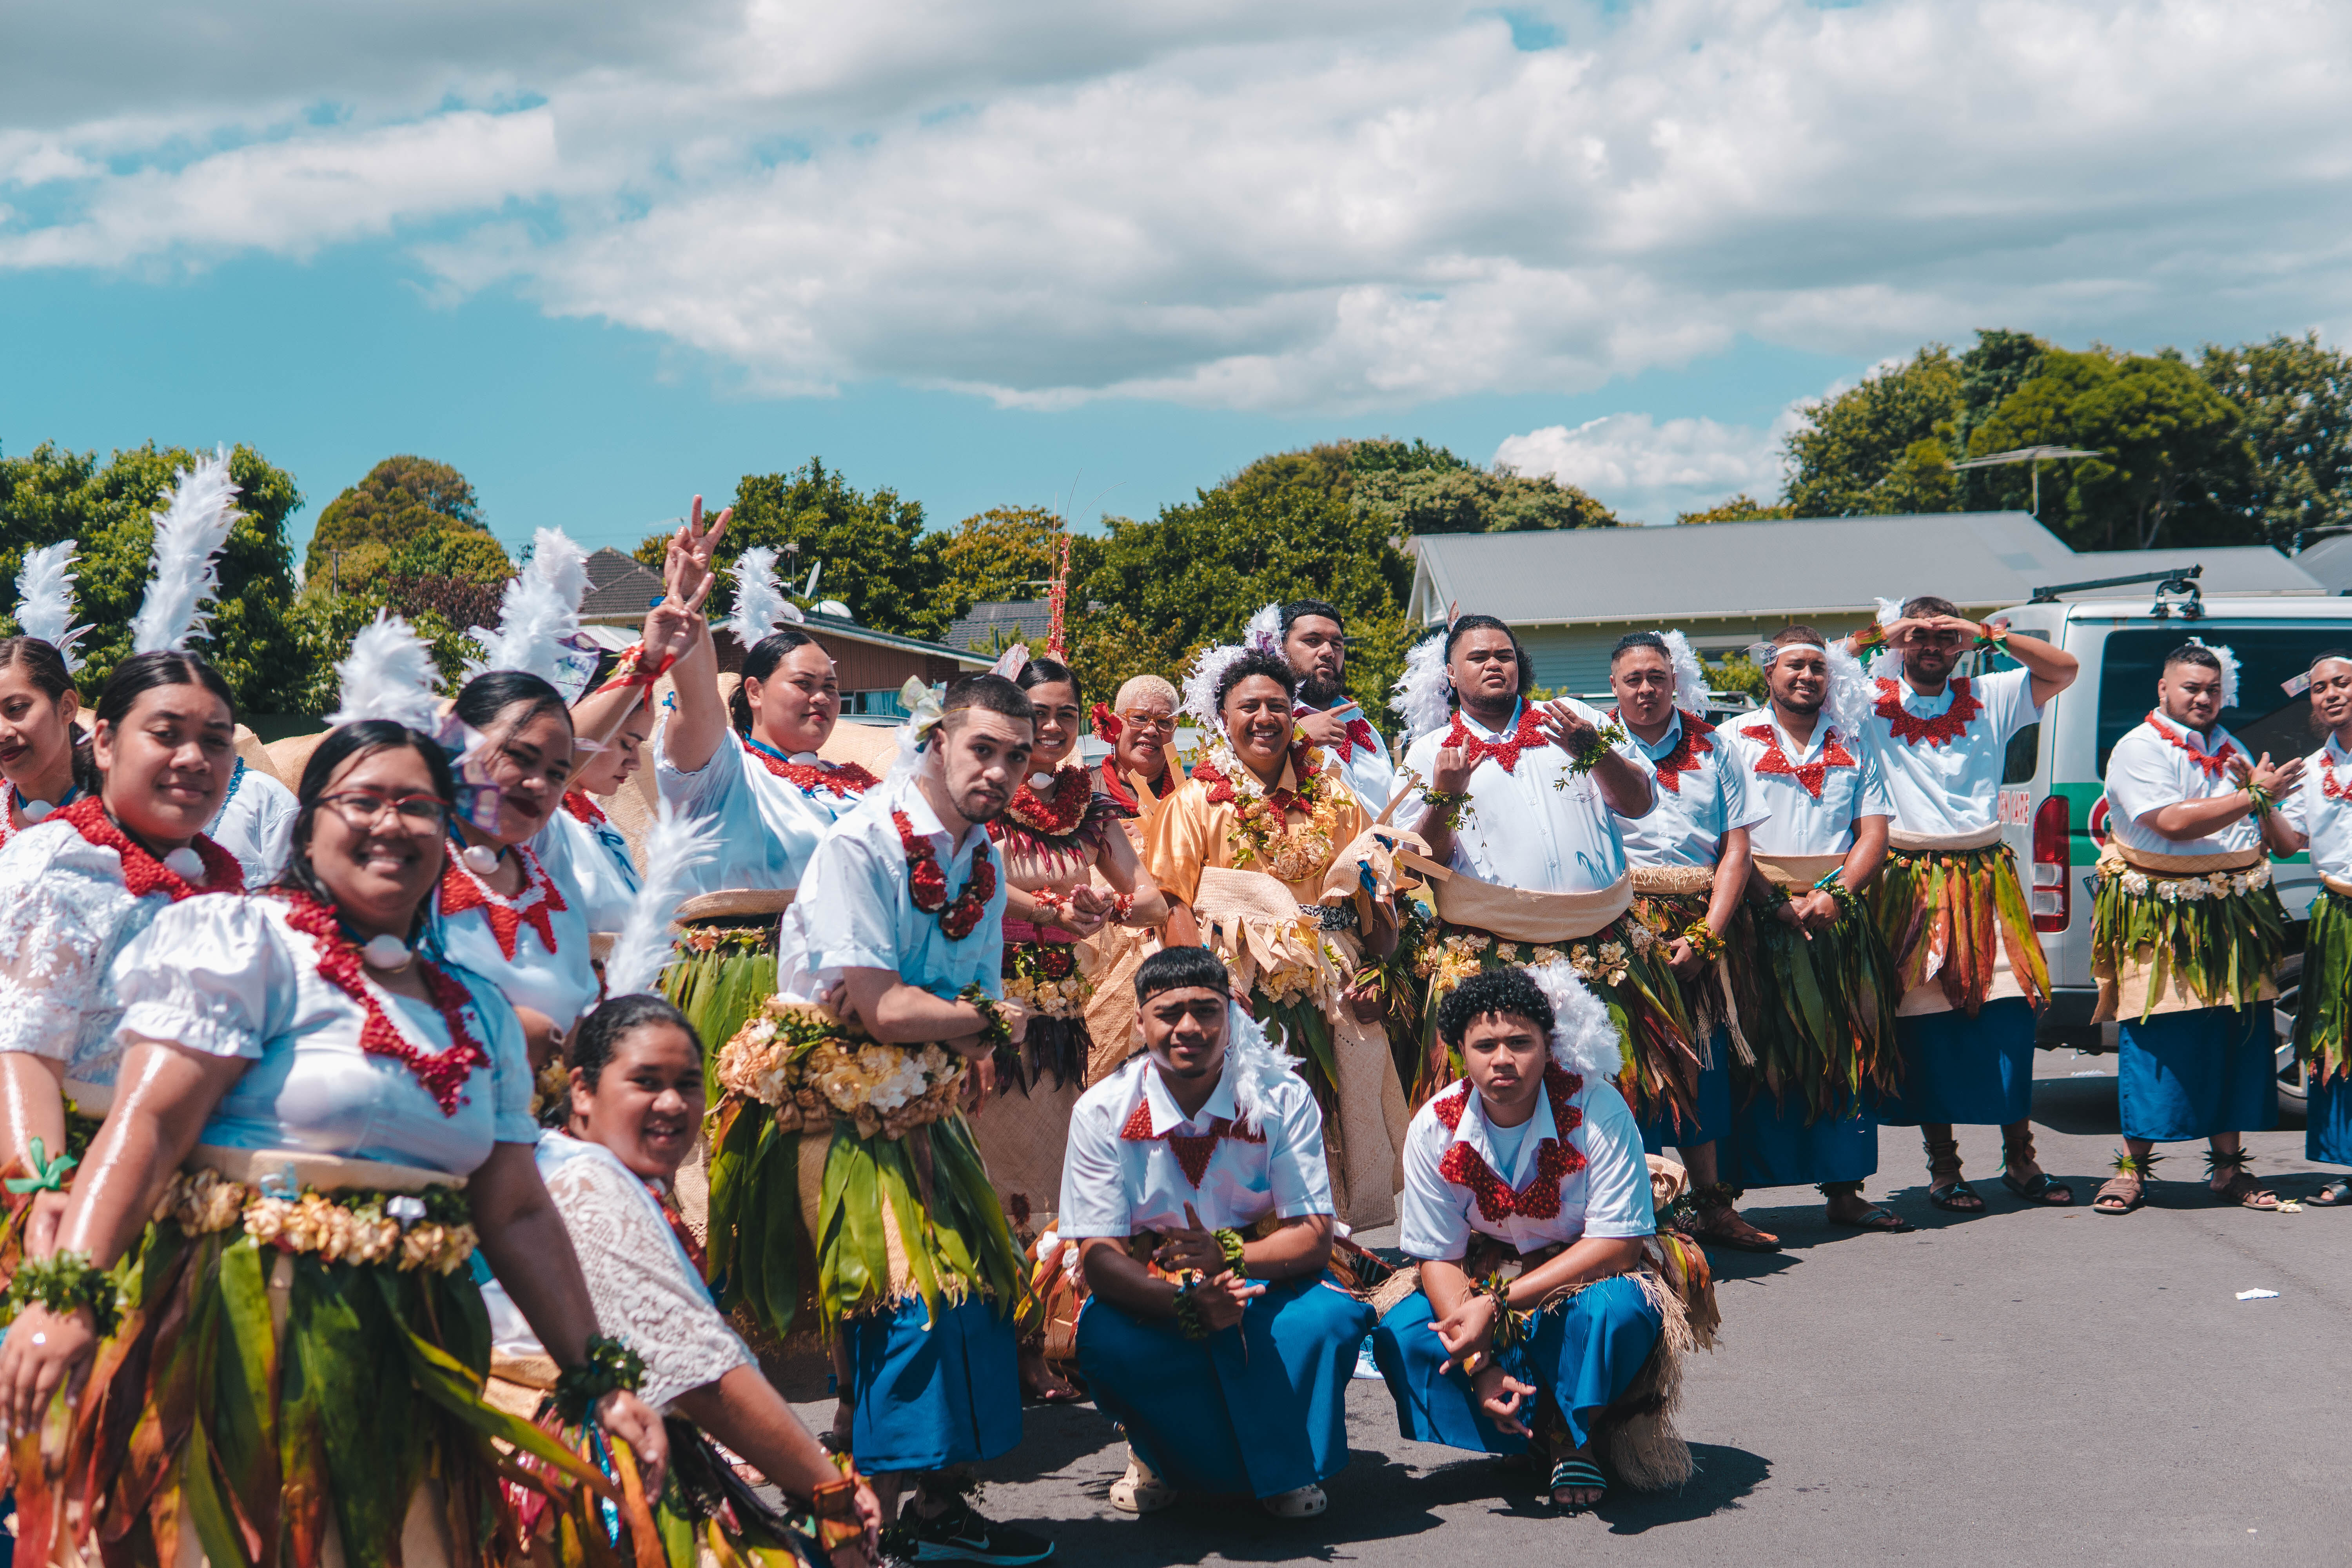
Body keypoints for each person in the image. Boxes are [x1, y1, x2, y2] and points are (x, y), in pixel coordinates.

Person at [0, 718, 668, 1562]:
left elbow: (518, 1208)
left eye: (419, 805)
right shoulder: (245, 944)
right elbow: (151, 1125)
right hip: (240, 1342)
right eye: (364, 800)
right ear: (309, 828)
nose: (392, 822)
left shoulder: (479, 1010)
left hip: (418, 1354)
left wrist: (597, 1376)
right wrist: (69, 1294)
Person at [704, 671, 1051, 1566]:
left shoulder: (984, 856)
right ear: (938, 739)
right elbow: (880, 1009)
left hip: (921, 1097)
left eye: (1018, 755)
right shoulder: (864, 842)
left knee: (976, 1290)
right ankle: (862, 1536)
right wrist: (991, 1023)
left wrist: (973, 1027)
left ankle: (930, 1510)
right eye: (984, 748)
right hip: (833, 1104)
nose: (1002, 771)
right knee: (903, 1306)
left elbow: (957, 1003)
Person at [485, 993, 884, 1566]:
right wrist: (829, 1492)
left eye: (689, 1084)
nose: (672, 1103)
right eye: (645, 1082)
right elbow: (701, 1377)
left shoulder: (554, 1162)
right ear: (581, 1091)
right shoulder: (588, 1181)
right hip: (571, 1477)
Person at [1059, 945, 1372, 1519]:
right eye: (1168, 1012)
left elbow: (1313, 1234)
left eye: (1207, 1010)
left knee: (1327, 1320)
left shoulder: (1282, 1097)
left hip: (1264, 1266)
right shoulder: (1101, 1110)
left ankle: (1286, 1461)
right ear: (1138, 1022)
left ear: (1233, 1016)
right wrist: (1185, 1302)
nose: (1189, 1028)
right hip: (1153, 1276)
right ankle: (1155, 1451)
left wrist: (1230, 1254)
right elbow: (1101, 1256)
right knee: (1110, 1340)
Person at [1370, 966, 1687, 1516]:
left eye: (1520, 1043)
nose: (1502, 1059)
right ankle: (1524, 1432)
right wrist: (1479, 1364)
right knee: (1402, 1332)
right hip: (1483, 1270)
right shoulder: (1432, 1128)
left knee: (1614, 1313)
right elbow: (1439, 1257)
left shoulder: (1598, 1109)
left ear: (1548, 1048)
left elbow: (1618, 1246)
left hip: (1589, 1272)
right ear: (1459, 1053)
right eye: (1485, 1044)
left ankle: (1574, 1438)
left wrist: (1494, 1307)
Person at [1393, 617, 1701, 1145]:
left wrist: (1595, 750)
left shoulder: (1574, 718)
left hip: (1602, 939)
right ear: (1450, 671)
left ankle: (1630, 1211)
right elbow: (1417, 865)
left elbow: (1639, 803)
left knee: (1621, 1090)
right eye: (1478, 657)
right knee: (1507, 1101)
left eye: (1505, 655)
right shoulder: (1429, 751)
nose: (1494, 664)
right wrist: (1445, 793)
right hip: (1494, 949)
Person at [1145, 645, 1408, 1230]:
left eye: (1277, 706)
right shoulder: (1192, 803)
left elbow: (1377, 886)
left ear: (1294, 715)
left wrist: (1379, 972)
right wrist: (1204, 992)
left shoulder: (1337, 795)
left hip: (1335, 977)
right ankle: (1252, 1242)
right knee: (1245, 1121)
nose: (1265, 717)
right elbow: (1173, 904)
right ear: (1223, 720)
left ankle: (1333, 1244)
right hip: (1237, 985)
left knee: (1336, 1112)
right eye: (1249, 707)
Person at [0, 654, 247, 1267]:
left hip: (193, 1204)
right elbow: (23, 1051)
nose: (193, 759)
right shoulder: (62, 864)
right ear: (105, 742)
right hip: (70, 1193)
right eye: (166, 736)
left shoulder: (221, 881)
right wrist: (39, 1198)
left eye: (214, 742)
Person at [1838, 596, 2080, 1211]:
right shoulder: (1866, 701)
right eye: (1920, 637)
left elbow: (2064, 669)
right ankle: (1944, 1167)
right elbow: (1823, 666)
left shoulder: (1992, 694)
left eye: (1945, 639)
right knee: (1925, 1021)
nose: (1932, 648)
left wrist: (1981, 631)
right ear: (1900, 642)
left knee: (2010, 1009)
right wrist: (1884, 633)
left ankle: (2021, 1156)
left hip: (1983, 874)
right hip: (1907, 877)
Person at [975, 653, 1167, 1401]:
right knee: (991, 1180)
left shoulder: (1090, 805)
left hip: (1061, 1015)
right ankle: (991, 1345)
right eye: (1037, 713)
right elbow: (974, 874)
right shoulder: (982, 793)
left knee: (1049, 1188)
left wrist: (1109, 907)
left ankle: (1035, 1343)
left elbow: (1148, 897)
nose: (1051, 727)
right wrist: (1056, 906)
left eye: (1064, 713)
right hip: (988, 1005)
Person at [652, 503, 877, 1062]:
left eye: (832, 685)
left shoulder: (863, 788)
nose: (823, 697)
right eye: (804, 683)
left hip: (856, 995)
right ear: (754, 692)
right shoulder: (724, 769)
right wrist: (682, 605)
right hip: (745, 985)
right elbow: (699, 700)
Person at [2090, 641, 2299, 1215]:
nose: (2203, 698)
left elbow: (2270, 831)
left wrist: (2259, 798)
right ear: (2163, 689)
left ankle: (2228, 1171)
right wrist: (2253, 793)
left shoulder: (2229, 747)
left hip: (2233, 911)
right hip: (2163, 913)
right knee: (2159, 1037)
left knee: (2236, 1038)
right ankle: (2132, 1170)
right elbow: (2174, 824)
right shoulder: (2140, 749)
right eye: (2191, 687)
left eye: (2212, 689)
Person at [1719, 626, 1908, 1232]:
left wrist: (1836, 895)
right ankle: (1724, 1198)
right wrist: (1769, 899)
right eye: (1794, 666)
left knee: (1846, 1046)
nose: (1807, 677)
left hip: (1835, 917)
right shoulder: (1731, 740)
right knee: (1749, 1049)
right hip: (1754, 909)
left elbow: (1873, 833)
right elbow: (1726, 838)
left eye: (1818, 668)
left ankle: (1846, 1190)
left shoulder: (1855, 738)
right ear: (1768, 673)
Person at [1604, 631, 1777, 1252]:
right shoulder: (1590, 748)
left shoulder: (1719, 745)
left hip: (1702, 920)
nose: (1646, 690)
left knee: (1702, 1065)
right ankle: (1634, 1210)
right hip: (1619, 925)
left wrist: (1708, 937)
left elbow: (1736, 849)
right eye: (1633, 680)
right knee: (1629, 1068)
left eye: (1656, 677)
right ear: (1615, 687)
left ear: (1674, 680)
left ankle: (1712, 1208)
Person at [437, 669, 597, 1069]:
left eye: (558, 774)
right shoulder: (403, 873)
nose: (539, 785)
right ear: (459, 744)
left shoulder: (560, 904)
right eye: (520, 758)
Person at [2278, 652, 2352, 1199]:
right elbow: (2290, 844)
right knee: (2338, 1039)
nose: (2330, 694)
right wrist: (2261, 801)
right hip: (2336, 915)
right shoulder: (2310, 770)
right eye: (2320, 687)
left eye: (2342, 683)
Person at [1272, 599, 1397, 816]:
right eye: (1312, 640)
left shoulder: (1364, 725)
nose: (1329, 651)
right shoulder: (1263, 724)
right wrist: (1295, 738)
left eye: (1337, 644)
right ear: (1279, 649)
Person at [1089, 674, 1182, 818]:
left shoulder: (1191, 796)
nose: (1151, 731)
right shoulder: (1083, 789)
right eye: (1140, 718)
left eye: (1164, 722)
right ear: (1115, 724)